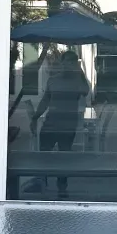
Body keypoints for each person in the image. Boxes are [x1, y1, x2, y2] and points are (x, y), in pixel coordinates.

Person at [29, 50, 91, 198]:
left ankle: (62, 188)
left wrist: (80, 71)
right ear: (61, 63)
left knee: (64, 157)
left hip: (68, 124)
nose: (67, 65)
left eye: (72, 63)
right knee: (44, 154)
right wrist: (35, 117)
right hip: (51, 122)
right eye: (66, 62)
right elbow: (45, 100)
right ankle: (41, 182)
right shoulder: (53, 79)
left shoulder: (78, 81)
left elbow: (85, 92)